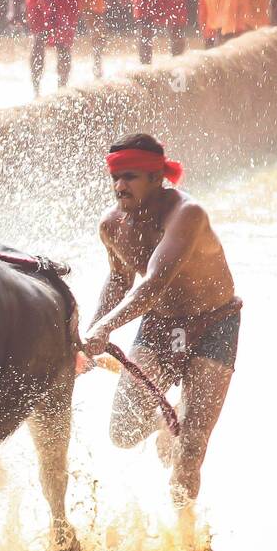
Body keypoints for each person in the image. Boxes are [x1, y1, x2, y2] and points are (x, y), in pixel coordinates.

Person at [82, 134, 241, 511]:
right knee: (121, 432)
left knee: (191, 446)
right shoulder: (112, 226)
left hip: (213, 325)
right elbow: (120, 280)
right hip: (160, 326)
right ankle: (165, 420)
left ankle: (183, 539)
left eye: (131, 177)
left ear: (157, 178)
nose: (121, 186)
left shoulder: (188, 214)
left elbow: (152, 284)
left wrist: (104, 330)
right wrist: (88, 335)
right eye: (116, 177)